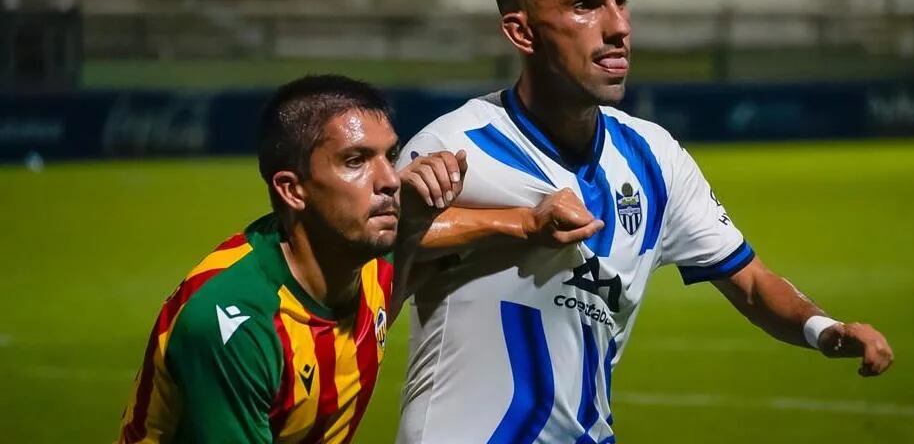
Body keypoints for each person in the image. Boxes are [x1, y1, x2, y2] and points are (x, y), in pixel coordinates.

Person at [395, 0, 894, 444]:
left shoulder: (654, 157)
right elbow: (374, 288)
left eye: (621, 0)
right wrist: (510, 225)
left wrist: (823, 330)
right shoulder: (451, 148)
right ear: (521, 31)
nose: (619, 27)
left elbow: (749, 282)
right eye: (586, 5)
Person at [116, 75, 600, 443]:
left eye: (389, 156)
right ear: (292, 189)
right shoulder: (234, 325)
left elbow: (417, 239)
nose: (389, 179)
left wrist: (524, 222)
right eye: (355, 161)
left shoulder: (363, 264)